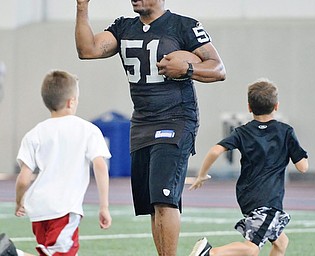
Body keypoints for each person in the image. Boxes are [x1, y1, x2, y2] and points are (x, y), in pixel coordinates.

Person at [75, 1, 226, 255]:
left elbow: (218, 69)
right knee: (153, 205)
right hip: (143, 122)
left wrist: (188, 69)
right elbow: (87, 49)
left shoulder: (184, 26)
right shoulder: (124, 27)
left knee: (164, 198)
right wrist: (81, 7)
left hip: (177, 118)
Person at [188, 78, 309, 256]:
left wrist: (202, 175)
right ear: (276, 106)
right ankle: (209, 253)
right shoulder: (285, 131)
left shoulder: (242, 131)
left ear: (249, 107)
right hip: (268, 200)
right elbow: (303, 168)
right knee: (252, 249)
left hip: (247, 197)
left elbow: (215, 150)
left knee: (281, 242)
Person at [15, 70, 112, 256]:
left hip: (38, 210)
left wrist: (20, 201)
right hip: (64, 209)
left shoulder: (34, 133)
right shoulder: (88, 130)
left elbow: (23, 179)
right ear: (71, 102)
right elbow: (100, 166)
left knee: (51, 252)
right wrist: (104, 206)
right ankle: (12, 253)